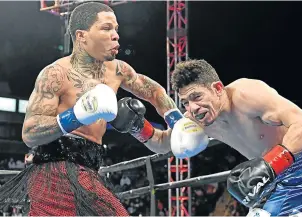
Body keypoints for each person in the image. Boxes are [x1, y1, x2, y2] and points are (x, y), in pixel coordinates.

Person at [0, 2, 200, 216]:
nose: (116, 35)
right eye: (106, 28)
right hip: (53, 172)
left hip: (90, 171)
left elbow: (154, 91)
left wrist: (176, 120)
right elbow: (29, 133)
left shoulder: (118, 70)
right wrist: (76, 115)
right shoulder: (55, 74)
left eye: (116, 29)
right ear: (81, 35)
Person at [136, 59, 302, 216]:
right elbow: (163, 144)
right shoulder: (196, 118)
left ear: (218, 88)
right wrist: (137, 128)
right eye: (185, 102)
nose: (192, 108)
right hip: (265, 185)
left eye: (197, 97)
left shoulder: (246, 94)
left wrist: (271, 164)